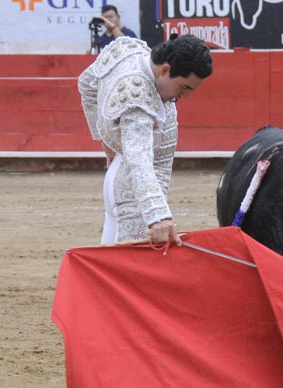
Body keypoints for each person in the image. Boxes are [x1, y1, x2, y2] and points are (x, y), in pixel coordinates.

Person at [78, 34, 212, 245]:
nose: (184, 96)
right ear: (165, 70)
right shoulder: (139, 99)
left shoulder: (129, 49)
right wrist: (157, 215)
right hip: (134, 193)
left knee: (109, 265)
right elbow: (139, 160)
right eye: (184, 87)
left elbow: (86, 84)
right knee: (128, 271)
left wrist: (106, 141)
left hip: (119, 177)